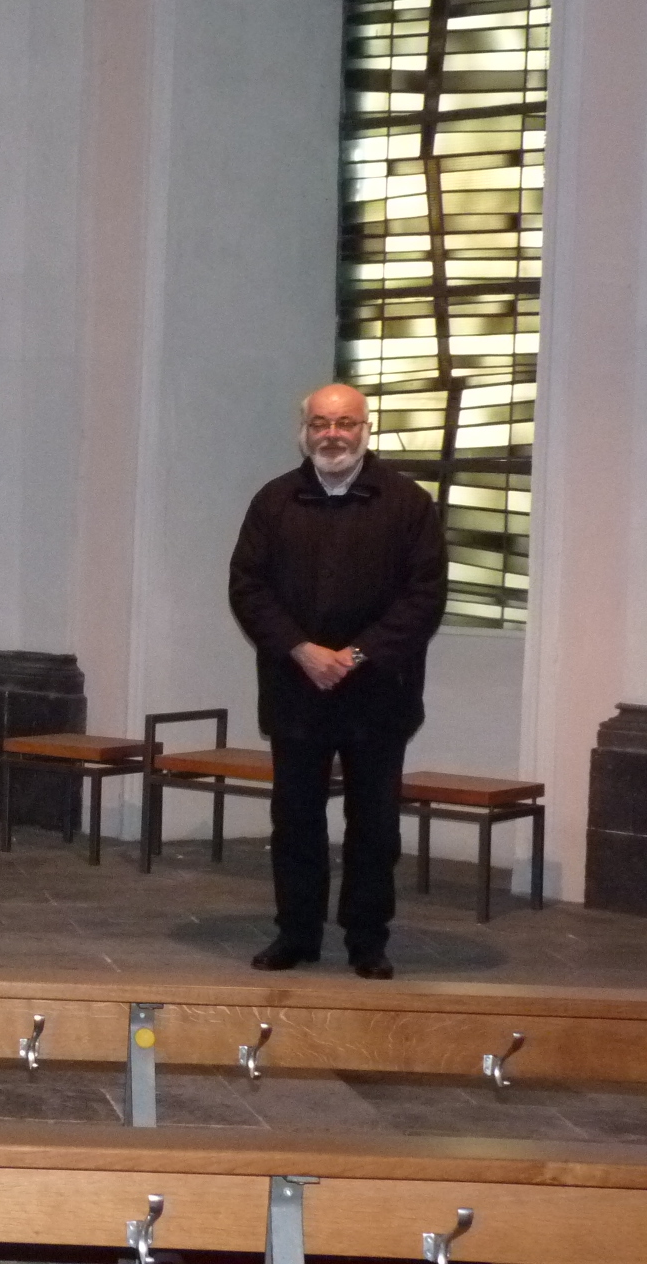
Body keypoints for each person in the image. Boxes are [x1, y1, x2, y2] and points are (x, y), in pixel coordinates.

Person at [228, 383, 446, 980]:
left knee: (373, 825)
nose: (333, 434)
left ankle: (367, 939)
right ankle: (296, 934)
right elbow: (247, 587)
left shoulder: (407, 504)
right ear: (304, 430)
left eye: (345, 423)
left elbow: (424, 596)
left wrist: (354, 655)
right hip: (296, 690)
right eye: (321, 423)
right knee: (295, 821)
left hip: (378, 693)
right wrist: (302, 650)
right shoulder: (273, 502)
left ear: (365, 428)